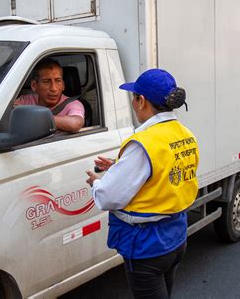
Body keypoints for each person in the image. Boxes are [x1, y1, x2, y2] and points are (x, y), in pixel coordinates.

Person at [85, 69, 199, 298]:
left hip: (148, 246)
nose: (133, 102)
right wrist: (120, 165)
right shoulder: (184, 133)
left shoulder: (143, 143)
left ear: (142, 101)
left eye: (134, 97)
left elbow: (108, 197)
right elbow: (164, 168)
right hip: (175, 236)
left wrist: (97, 182)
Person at [14, 58, 85, 133]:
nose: (53, 88)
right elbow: (8, 114)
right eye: (46, 82)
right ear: (34, 85)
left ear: (63, 85)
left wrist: (37, 119)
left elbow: (74, 124)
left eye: (58, 81)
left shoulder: (73, 104)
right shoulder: (26, 101)